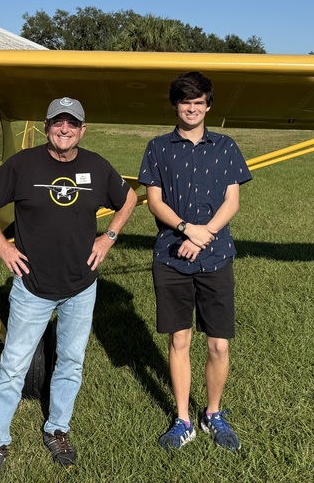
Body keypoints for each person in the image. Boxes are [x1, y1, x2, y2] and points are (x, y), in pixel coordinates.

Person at [0, 97, 138, 482]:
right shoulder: (24, 164)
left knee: (70, 362)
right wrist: (1, 243)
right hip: (32, 286)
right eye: (57, 123)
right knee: (13, 366)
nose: (65, 130)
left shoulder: (97, 166)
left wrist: (108, 237)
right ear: (47, 126)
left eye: (73, 124)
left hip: (81, 286)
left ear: (83, 129)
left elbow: (129, 198)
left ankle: (57, 429)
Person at [138, 71, 252, 453]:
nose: (192, 108)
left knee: (218, 345)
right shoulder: (157, 147)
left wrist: (204, 235)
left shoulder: (226, 146)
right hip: (171, 256)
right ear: (176, 105)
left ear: (208, 105)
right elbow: (154, 202)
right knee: (179, 339)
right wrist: (187, 229)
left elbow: (232, 201)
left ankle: (214, 414)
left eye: (199, 102)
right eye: (186, 101)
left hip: (216, 256)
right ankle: (183, 419)